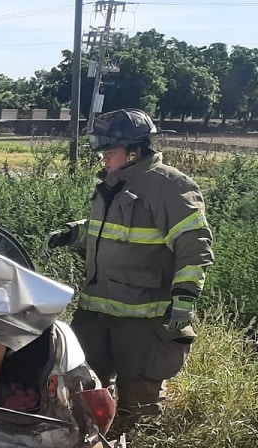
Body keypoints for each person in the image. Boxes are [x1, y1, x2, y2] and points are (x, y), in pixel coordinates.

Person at [48, 108, 213, 422]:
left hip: (141, 318)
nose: (104, 159)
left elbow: (195, 244)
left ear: (135, 152)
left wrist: (185, 299)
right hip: (96, 312)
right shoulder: (112, 184)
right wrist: (76, 233)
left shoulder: (170, 186)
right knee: (83, 388)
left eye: (110, 151)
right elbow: (110, 231)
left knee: (138, 402)